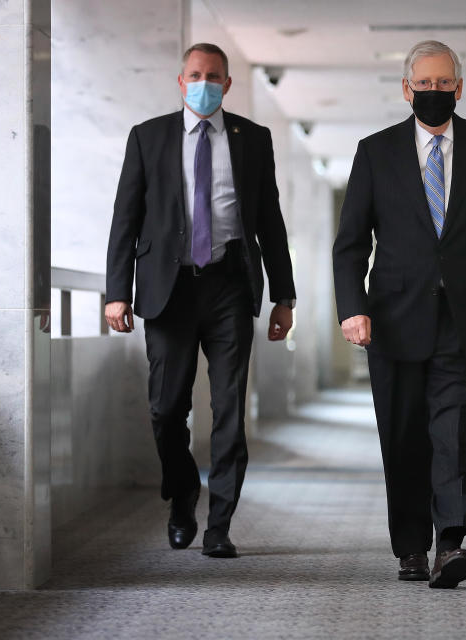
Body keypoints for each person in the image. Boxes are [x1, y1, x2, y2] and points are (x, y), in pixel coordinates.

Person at [333, 40, 466, 588]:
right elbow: (349, 244)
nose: (435, 93)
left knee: (453, 430)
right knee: (402, 436)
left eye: (445, 84)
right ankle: (411, 547)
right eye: (425, 84)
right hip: (393, 320)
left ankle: (451, 543)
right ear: (407, 89)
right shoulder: (375, 152)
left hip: (464, 317)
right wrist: (352, 309)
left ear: (459, 89)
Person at [105, 43, 296, 559]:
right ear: (180, 80)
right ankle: (183, 492)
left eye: (213, 76)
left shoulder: (253, 139)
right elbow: (125, 219)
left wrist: (285, 296)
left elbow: (270, 221)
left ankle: (220, 524)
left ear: (228, 84)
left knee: (230, 409)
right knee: (166, 409)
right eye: (195, 75)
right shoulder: (148, 137)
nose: (203, 83)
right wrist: (117, 292)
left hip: (230, 285)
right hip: (169, 291)